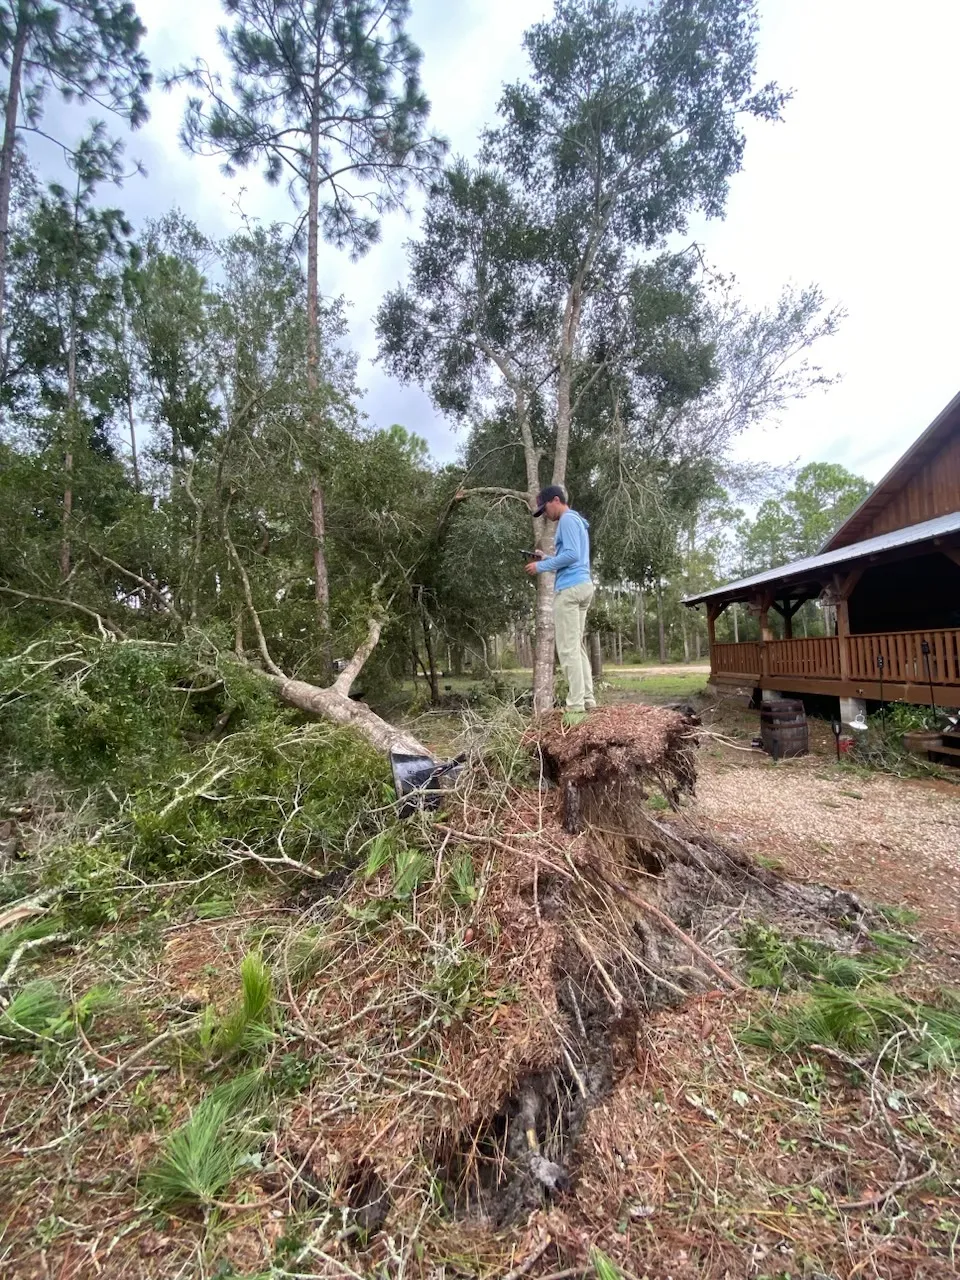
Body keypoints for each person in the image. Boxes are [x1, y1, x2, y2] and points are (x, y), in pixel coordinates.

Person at [525, 484, 595, 724]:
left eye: (545, 509)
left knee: (567, 649)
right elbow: (572, 556)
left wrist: (542, 566)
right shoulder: (577, 521)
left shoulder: (566, 519)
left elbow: (572, 555)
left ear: (556, 500)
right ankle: (587, 700)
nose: (545, 514)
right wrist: (546, 558)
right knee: (577, 647)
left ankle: (575, 706)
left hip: (570, 590)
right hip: (583, 585)